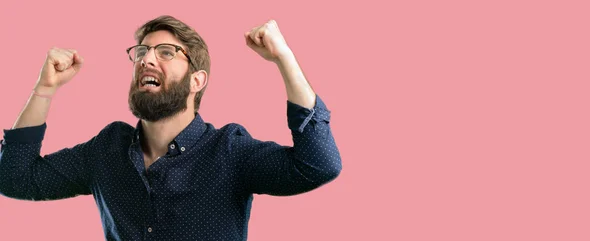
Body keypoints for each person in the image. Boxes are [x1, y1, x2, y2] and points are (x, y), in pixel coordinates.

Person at [0, 15, 341, 240]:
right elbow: (14, 178)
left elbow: (319, 164)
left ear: (197, 80)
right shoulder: (107, 150)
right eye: (142, 52)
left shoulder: (230, 151)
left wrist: (284, 58)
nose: (147, 59)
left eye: (165, 52)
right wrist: (43, 91)